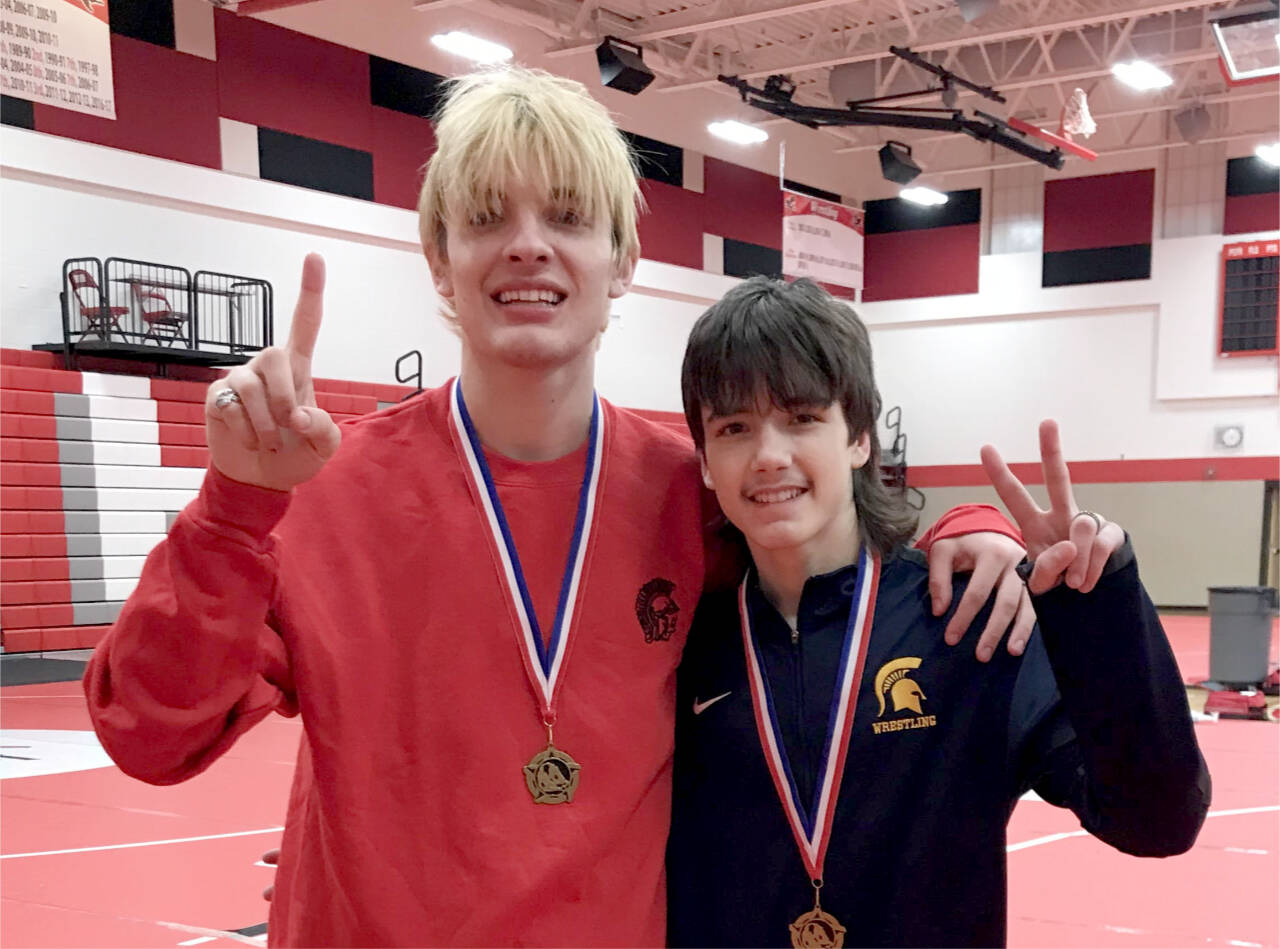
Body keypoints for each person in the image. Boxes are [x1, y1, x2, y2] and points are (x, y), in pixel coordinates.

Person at [85, 68, 1032, 947]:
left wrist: (973, 535)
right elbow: (148, 736)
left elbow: (831, 556)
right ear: (439, 258)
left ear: (623, 260)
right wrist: (232, 510)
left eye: (569, 217)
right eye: (486, 216)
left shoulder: (688, 493)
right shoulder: (316, 491)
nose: (528, 243)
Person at [667, 277, 1211, 949]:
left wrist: (1096, 611)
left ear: (859, 437)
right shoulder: (683, 643)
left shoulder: (967, 618)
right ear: (706, 461)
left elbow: (1157, 821)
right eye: (734, 428)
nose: (769, 455)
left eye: (802, 418)